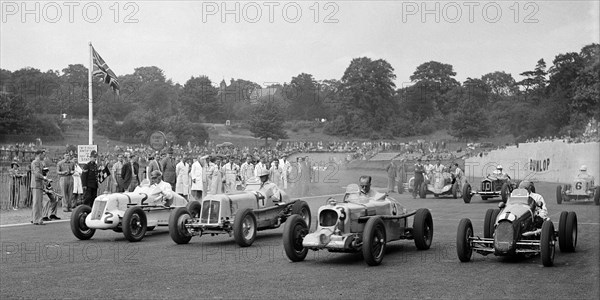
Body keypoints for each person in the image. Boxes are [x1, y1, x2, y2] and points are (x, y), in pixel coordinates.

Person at [30, 149, 47, 225]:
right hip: (37, 184)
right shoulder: (36, 162)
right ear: (40, 154)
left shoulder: (39, 163)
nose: (44, 156)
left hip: (39, 184)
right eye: (43, 154)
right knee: (37, 203)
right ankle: (37, 219)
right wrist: (44, 178)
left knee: (37, 202)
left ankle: (35, 218)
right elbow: (37, 173)